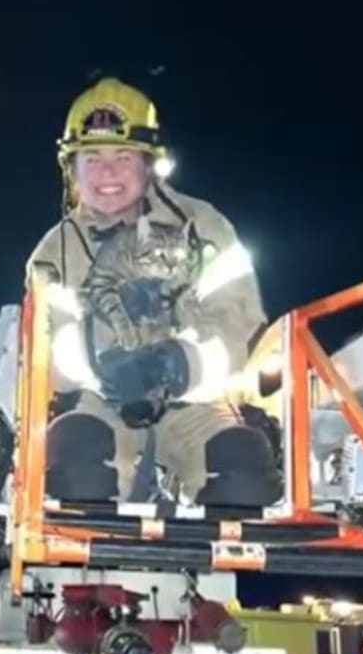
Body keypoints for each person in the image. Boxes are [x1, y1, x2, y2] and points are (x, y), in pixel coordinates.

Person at [26, 76, 281, 508]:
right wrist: (104, 362)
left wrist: (182, 362)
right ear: (72, 169)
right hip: (104, 399)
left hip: (194, 400)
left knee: (243, 476)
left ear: (149, 164)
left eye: (123, 156)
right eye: (92, 158)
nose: (108, 173)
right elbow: (47, 354)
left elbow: (241, 323)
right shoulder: (55, 251)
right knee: (77, 470)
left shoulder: (204, 226)